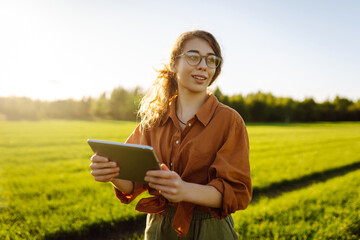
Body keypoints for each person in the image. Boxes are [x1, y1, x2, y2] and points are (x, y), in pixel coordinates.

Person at [90, 30, 252, 239]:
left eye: (211, 60)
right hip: (159, 228)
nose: (203, 65)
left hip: (210, 230)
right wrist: (111, 173)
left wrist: (185, 190)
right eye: (194, 57)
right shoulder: (153, 119)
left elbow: (237, 193)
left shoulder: (230, 121)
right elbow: (133, 182)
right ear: (174, 64)